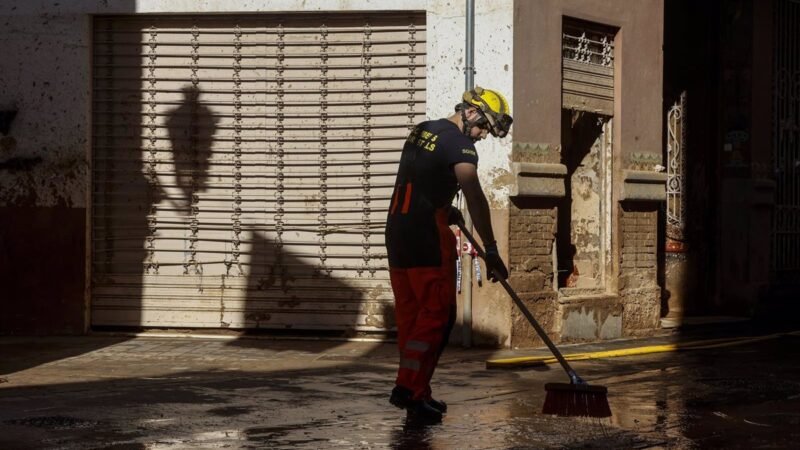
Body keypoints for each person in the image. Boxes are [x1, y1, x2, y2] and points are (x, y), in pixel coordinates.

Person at [385, 86, 513, 424]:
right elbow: (474, 194)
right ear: (470, 112)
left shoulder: (422, 130)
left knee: (412, 318)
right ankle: (408, 389)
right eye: (484, 126)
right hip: (426, 236)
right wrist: (492, 249)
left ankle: (418, 393)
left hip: (398, 232)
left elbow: (423, 180)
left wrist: (445, 209)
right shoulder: (461, 144)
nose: (483, 135)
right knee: (438, 316)